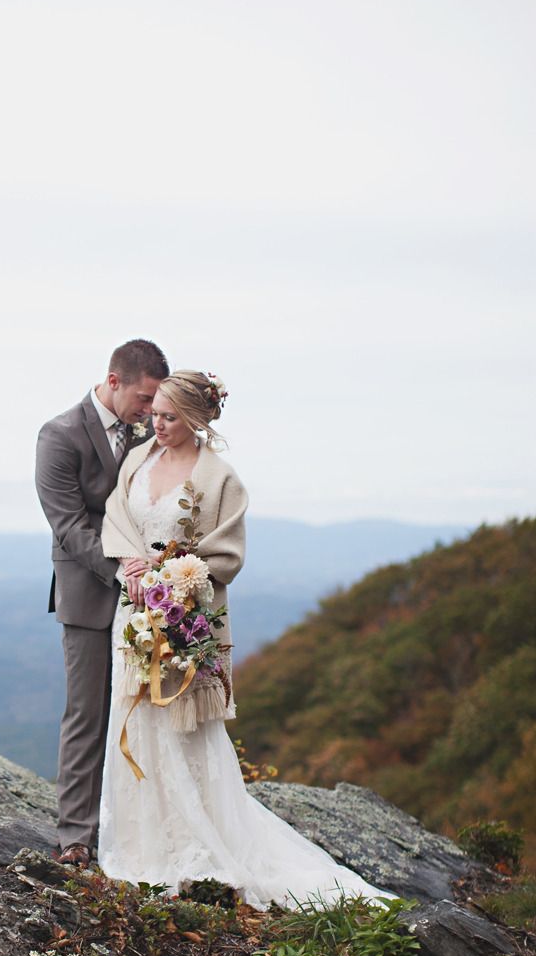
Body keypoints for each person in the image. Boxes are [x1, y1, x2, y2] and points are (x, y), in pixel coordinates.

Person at [97, 370, 388, 908]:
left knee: (181, 726)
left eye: (169, 417)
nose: (156, 425)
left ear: (196, 419)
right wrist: (131, 563)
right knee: (135, 718)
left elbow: (226, 554)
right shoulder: (138, 459)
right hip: (132, 614)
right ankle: (143, 847)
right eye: (155, 414)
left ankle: (196, 844)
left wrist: (170, 578)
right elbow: (116, 515)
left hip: (185, 617)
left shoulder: (220, 478)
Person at [35, 339, 170, 867]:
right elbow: (68, 525)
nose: (150, 411)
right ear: (114, 381)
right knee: (87, 714)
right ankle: (76, 836)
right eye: (143, 399)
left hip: (151, 597)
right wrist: (123, 570)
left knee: (149, 711)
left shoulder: (149, 432)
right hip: (90, 592)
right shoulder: (59, 435)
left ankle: (143, 829)